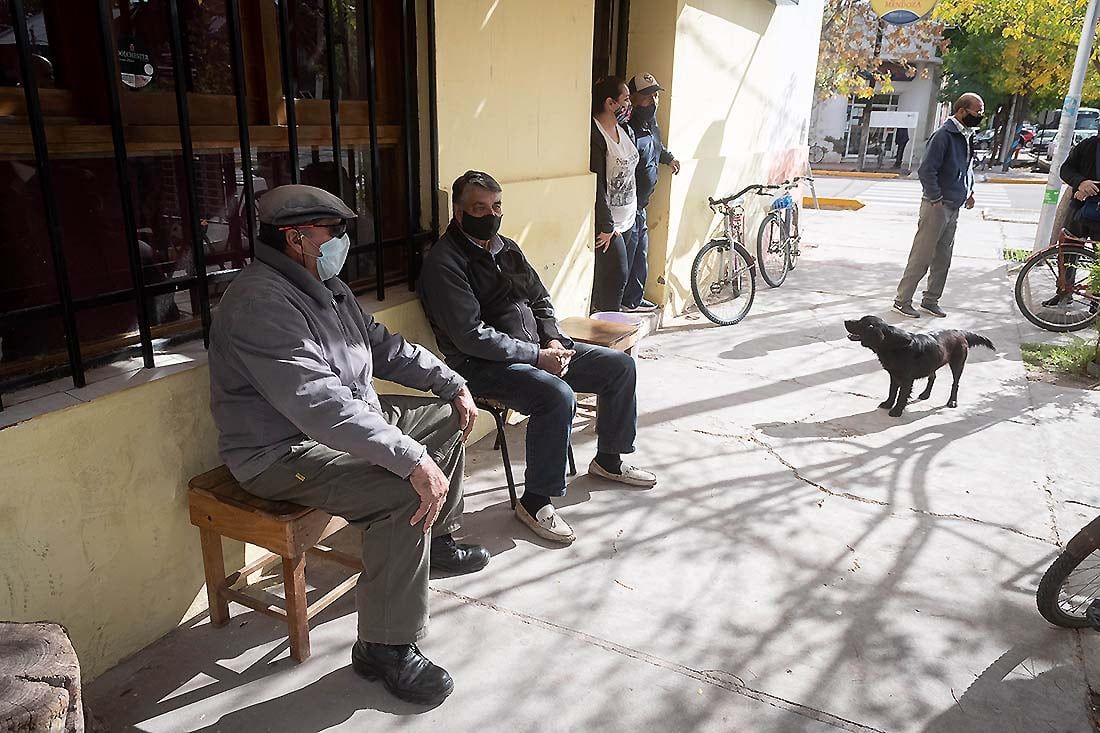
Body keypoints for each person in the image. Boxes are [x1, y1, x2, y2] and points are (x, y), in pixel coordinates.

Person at [208, 184, 488, 707]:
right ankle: (383, 647)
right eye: (333, 232)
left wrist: (449, 382)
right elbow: (320, 406)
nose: (343, 241)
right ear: (296, 238)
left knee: (448, 419)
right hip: (281, 452)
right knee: (402, 494)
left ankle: (437, 539)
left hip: (347, 420)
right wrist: (409, 458)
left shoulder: (325, 285)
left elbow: (381, 346)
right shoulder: (260, 303)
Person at [419, 170, 658, 545]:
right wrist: (537, 356)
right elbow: (471, 337)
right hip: (480, 367)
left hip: (537, 352)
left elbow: (540, 300)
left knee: (619, 366)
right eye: (479, 207)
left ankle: (610, 458)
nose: (491, 214)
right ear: (459, 214)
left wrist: (556, 342)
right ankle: (535, 501)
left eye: (496, 206)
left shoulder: (507, 248)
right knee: (555, 396)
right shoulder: (444, 263)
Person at [893, 93, 984, 319]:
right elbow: (927, 170)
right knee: (922, 256)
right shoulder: (944, 135)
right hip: (937, 207)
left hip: (954, 205)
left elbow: (965, 167)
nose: (980, 116)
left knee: (943, 258)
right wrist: (935, 198)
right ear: (962, 110)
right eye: (977, 111)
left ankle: (931, 299)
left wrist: (969, 191)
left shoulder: (966, 135)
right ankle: (902, 300)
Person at [623, 72, 680, 313]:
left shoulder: (651, 125)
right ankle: (623, 302)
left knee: (640, 252)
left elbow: (657, 147)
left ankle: (634, 299)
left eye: (655, 95)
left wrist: (668, 158)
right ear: (633, 98)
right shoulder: (627, 128)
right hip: (627, 205)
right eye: (647, 96)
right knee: (629, 253)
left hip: (642, 204)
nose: (653, 100)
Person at [590, 76, 639, 313]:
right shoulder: (596, 135)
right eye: (626, 99)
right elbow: (597, 183)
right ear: (610, 103)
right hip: (610, 225)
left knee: (619, 279)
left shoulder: (624, 129)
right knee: (615, 278)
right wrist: (607, 224)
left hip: (629, 216)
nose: (630, 104)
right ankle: (607, 334)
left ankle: (609, 327)